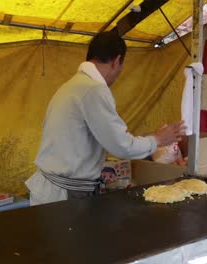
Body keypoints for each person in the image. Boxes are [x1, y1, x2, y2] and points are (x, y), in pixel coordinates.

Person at [25, 32, 186, 205]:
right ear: (117, 61)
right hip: (65, 195)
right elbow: (121, 146)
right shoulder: (93, 90)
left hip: (50, 189)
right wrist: (158, 139)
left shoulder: (70, 86)